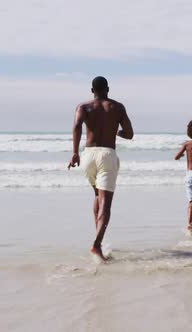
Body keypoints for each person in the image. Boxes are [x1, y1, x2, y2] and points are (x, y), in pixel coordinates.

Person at [68, 76, 134, 261]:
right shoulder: (117, 107)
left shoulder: (83, 107)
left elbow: (76, 126)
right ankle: (97, 245)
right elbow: (129, 134)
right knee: (106, 203)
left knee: (97, 195)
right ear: (108, 89)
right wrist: (115, 131)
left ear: (92, 90)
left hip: (88, 155)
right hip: (107, 155)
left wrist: (75, 153)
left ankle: (99, 239)